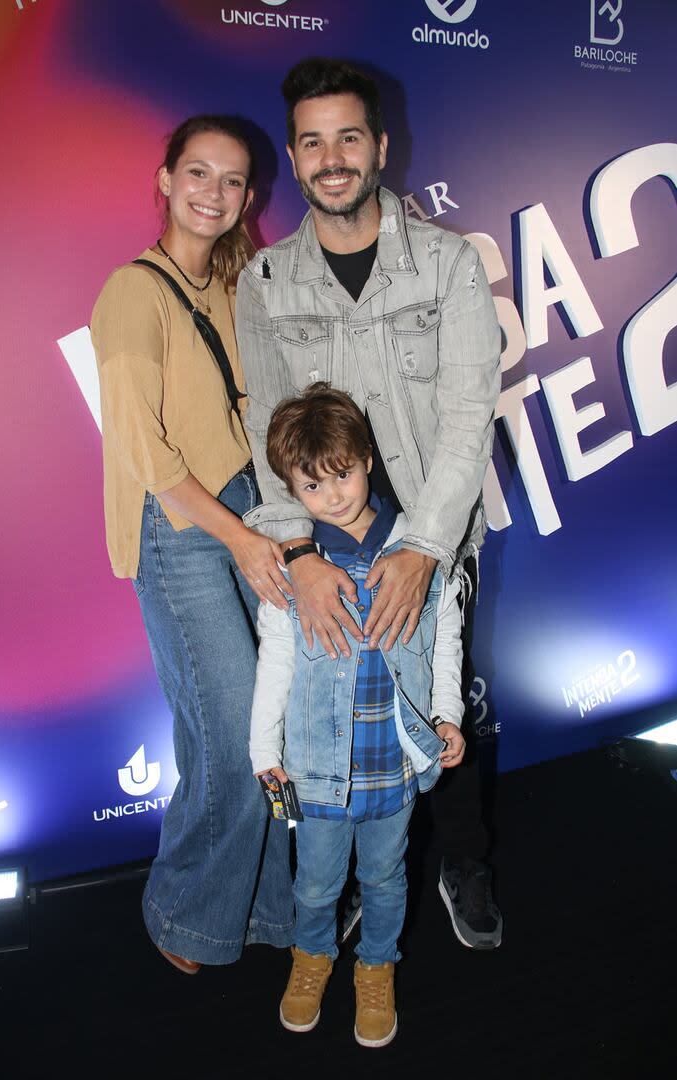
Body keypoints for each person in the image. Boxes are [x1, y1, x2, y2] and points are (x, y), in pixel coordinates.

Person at [236, 58, 503, 950]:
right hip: (326, 547)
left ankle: (459, 859)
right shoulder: (266, 284)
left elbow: (469, 417)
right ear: (294, 156)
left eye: (349, 135)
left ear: (380, 146)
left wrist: (423, 548)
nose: (332, 156)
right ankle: (351, 876)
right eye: (312, 141)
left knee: (445, 697)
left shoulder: (448, 261)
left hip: (431, 529)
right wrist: (302, 557)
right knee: (334, 703)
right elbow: (265, 433)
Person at [91, 115, 294, 971]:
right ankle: (186, 917)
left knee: (269, 729)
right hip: (180, 529)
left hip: (244, 507)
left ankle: (267, 911)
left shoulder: (236, 281)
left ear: (249, 196)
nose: (214, 193)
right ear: (166, 181)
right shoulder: (132, 292)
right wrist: (241, 541)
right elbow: (144, 452)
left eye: (232, 180)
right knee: (230, 733)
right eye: (198, 174)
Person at [249, 383, 465, 1047]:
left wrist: (446, 714)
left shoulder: (415, 548)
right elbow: (275, 665)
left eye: (341, 474)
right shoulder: (291, 570)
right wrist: (265, 753)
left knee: (385, 877)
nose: (332, 495)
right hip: (312, 774)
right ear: (290, 490)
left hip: (392, 762)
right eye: (311, 487)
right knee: (314, 887)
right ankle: (310, 960)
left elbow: (443, 637)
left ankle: (376, 969)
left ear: (366, 458)